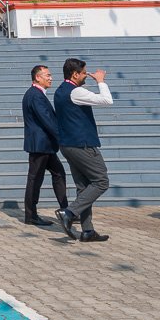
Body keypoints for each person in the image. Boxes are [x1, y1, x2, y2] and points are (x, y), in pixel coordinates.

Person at [54, 58, 113, 243]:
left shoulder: (59, 90)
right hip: (82, 145)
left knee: (84, 187)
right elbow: (106, 100)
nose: (86, 75)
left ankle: (88, 231)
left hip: (67, 145)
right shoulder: (76, 91)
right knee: (101, 181)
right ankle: (69, 212)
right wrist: (101, 80)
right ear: (75, 74)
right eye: (84, 73)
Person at [22, 65, 68, 227]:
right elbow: (47, 119)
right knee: (35, 180)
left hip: (45, 145)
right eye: (47, 75)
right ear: (37, 78)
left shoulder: (37, 94)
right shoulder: (35, 95)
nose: (51, 78)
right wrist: (63, 137)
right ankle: (31, 215)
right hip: (40, 145)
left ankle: (66, 210)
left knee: (58, 174)